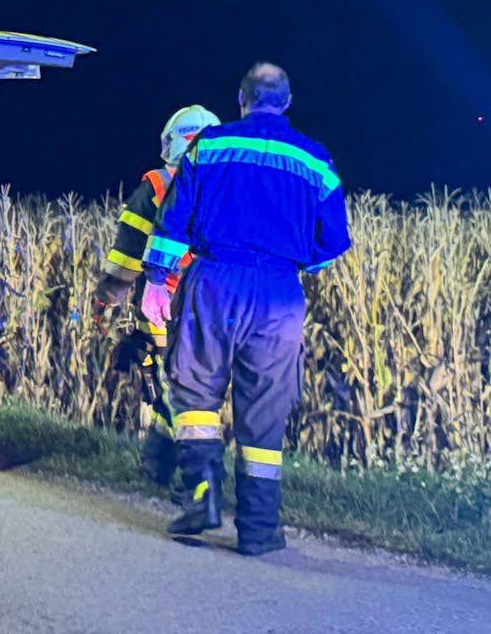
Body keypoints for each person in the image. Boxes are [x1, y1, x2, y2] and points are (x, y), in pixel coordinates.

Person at [140, 63, 350, 556]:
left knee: (195, 388)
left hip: (216, 280)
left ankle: (202, 497)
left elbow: (173, 221)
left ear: (242, 99)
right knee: (264, 408)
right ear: (287, 102)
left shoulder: (209, 147)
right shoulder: (316, 161)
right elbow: (334, 240)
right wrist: (294, 260)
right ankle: (258, 528)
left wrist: (154, 281)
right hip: (279, 292)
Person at [92, 105, 220, 495]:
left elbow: (127, 261)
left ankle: (195, 484)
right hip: (223, 307)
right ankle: (156, 463)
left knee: (176, 387)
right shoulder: (230, 185)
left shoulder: (156, 187)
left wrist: (105, 301)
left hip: (166, 302)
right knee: (192, 388)